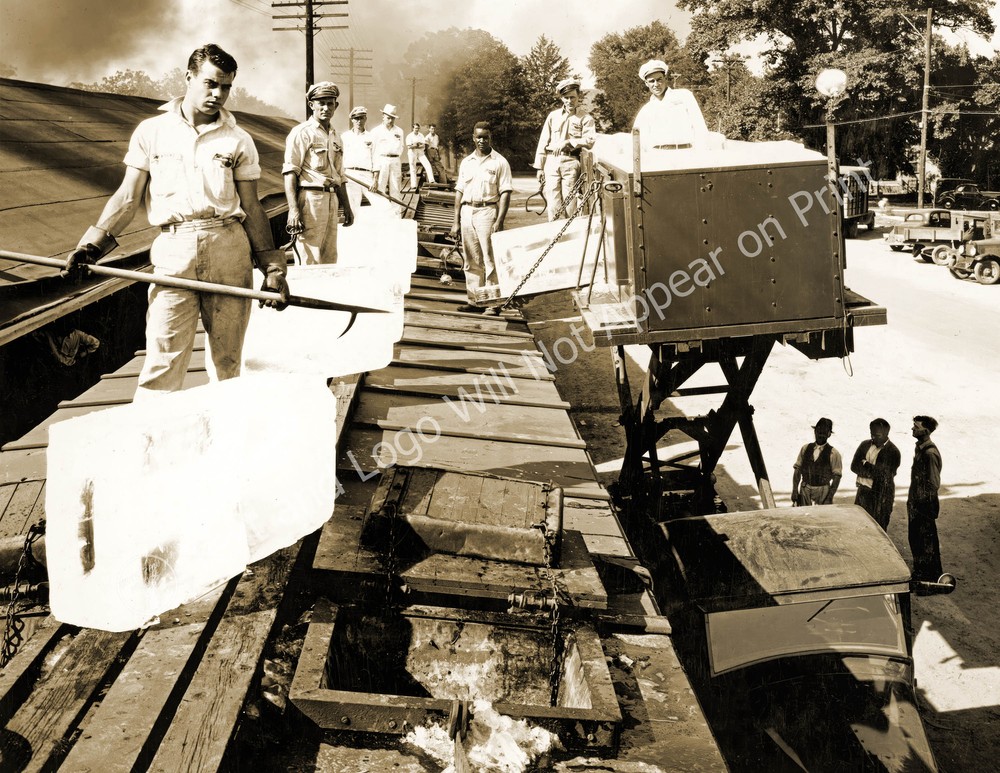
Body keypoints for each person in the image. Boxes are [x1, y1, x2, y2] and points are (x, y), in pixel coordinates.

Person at [64, 43, 288, 399]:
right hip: (173, 249)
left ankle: (224, 445)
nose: (218, 94)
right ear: (188, 77)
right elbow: (127, 197)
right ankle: (151, 448)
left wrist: (273, 268)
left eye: (226, 87)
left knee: (229, 363)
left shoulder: (239, 139)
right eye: (210, 83)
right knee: (162, 362)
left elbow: (253, 208)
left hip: (228, 247)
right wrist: (92, 245)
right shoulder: (151, 131)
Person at [282, 81, 353, 265]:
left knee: (330, 257)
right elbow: (290, 172)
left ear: (336, 106)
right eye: (321, 103)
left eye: (330, 103)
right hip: (311, 199)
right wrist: (293, 210)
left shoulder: (336, 136)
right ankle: (304, 294)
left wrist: (347, 206)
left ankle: (324, 294)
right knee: (309, 257)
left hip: (332, 200)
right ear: (311, 105)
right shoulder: (301, 133)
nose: (325, 108)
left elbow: (340, 175)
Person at [448, 122, 512, 317]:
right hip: (468, 212)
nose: (482, 140)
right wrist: (456, 221)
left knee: (490, 259)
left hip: (487, 212)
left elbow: (506, 192)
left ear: (490, 138)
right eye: (479, 137)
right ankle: (475, 300)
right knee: (471, 259)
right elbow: (459, 192)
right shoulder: (467, 162)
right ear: (473, 138)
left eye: (486, 137)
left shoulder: (499, 162)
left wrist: (499, 220)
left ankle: (493, 304)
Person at [532, 78, 596, 221]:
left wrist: (570, 142)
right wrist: (539, 168)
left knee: (570, 202)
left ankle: (570, 234)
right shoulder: (553, 116)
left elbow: (590, 140)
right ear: (561, 98)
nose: (569, 101)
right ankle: (554, 235)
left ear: (578, 96)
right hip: (551, 161)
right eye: (566, 98)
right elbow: (543, 141)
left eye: (572, 97)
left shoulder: (585, 118)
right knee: (553, 202)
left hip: (571, 162)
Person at [633, 59, 713, 151]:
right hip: (658, 156)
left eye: (659, 79)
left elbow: (699, 127)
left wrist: (702, 154)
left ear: (665, 78)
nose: (656, 84)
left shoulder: (684, 96)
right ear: (646, 84)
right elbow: (639, 141)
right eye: (651, 81)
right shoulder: (646, 110)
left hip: (686, 154)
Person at [907, 415, 944, 581]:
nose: (913, 429)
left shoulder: (929, 453)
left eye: (916, 426)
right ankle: (922, 573)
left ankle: (928, 577)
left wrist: (922, 504)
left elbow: (933, 484)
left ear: (926, 431)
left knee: (925, 541)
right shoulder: (920, 448)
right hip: (917, 504)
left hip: (923, 506)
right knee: (916, 539)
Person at [850, 418, 902, 529]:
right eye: (871, 434)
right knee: (859, 527)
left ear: (886, 434)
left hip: (881, 496)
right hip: (862, 492)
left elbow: (883, 475)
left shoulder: (893, 452)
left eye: (877, 435)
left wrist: (865, 464)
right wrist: (873, 470)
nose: (873, 437)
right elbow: (854, 466)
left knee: (878, 529)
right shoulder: (864, 445)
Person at [791, 418, 842, 505]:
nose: (820, 435)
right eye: (819, 432)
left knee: (821, 517)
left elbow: (837, 476)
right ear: (815, 431)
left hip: (823, 491)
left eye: (824, 433)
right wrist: (795, 490)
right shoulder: (805, 448)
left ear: (829, 434)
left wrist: (829, 497)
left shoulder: (834, 453)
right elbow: (797, 470)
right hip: (805, 489)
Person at [340, 105, 376, 218]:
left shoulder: (372, 137)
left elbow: (376, 159)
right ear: (352, 120)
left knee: (382, 204)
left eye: (361, 118)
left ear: (365, 119)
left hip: (367, 175)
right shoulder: (344, 137)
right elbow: (339, 157)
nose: (359, 121)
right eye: (356, 118)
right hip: (350, 175)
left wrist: (375, 180)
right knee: (352, 207)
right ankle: (353, 231)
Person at [369, 103, 405, 216]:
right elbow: (372, 150)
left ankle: (396, 214)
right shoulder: (376, 131)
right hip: (381, 160)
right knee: (380, 187)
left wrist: (396, 156)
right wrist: (375, 166)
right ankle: (379, 213)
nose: (390, 120)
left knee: (396, 186)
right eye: (388, 117)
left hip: (395, 160)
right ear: (383, 116)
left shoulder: (399, 131)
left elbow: (402, 146)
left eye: (393, 118)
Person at [405, 122, 435, 190]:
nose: (417, 129)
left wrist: (415, 145)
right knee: (413, 168)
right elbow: (409, 147)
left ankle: (431, 180)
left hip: (420, 152)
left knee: (427, 164)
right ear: (413, 128)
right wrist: (416, 145)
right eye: (415, 128)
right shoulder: (409, 136)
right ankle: (413, 185)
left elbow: (423, 145)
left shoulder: (421, 135)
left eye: (418, 128)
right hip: (412, 153)